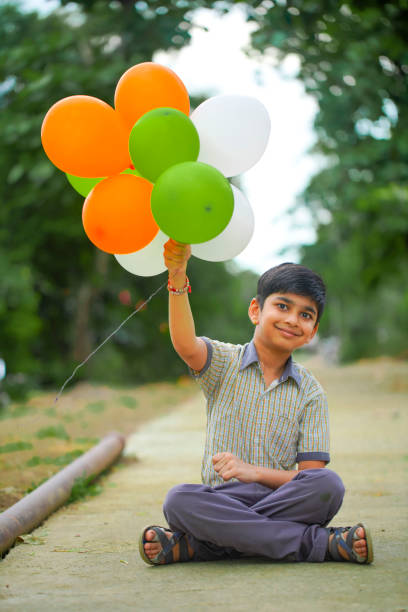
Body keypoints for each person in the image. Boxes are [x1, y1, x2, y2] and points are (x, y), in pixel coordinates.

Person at [139, 239, 374, 566]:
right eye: (282, 306)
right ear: (256, 310)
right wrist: (177, 277)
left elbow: (308, 480)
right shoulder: (224, 362)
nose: (292, 319)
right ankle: (317, 544)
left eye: (305, 315)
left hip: (282, 500)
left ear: (312, 331)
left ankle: (201, 544)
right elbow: (184, 344)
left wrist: (252, 472)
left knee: (328, 486)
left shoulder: (310, 392)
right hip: (221, 499)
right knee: (179, 501)